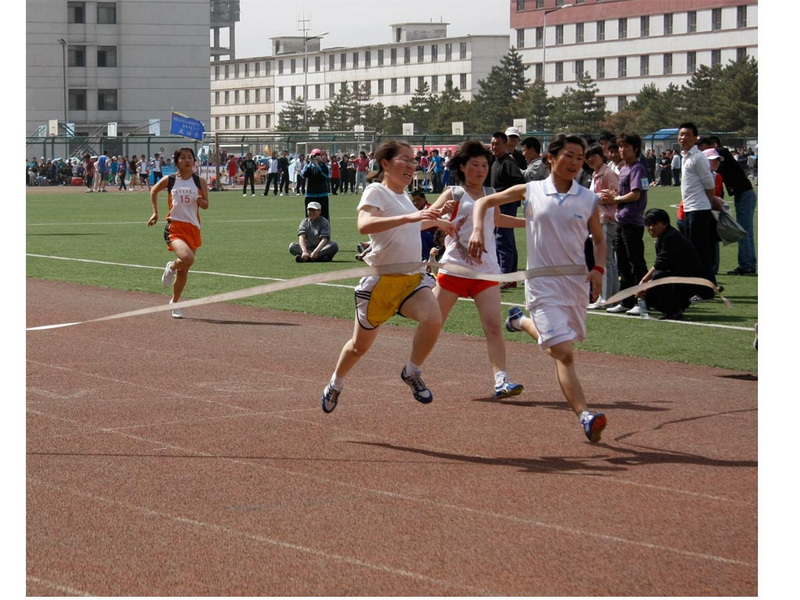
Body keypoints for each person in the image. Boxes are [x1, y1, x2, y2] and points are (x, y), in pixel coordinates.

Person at [468, 133, 608, 443]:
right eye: (568, 155)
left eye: (579, 158)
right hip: (542, 284)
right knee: (564, 352)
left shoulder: (588, 198)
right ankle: (585, 415)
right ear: (550, 158)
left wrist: (598, 270)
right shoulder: (532, 191)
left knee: (563, 343)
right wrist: (478, 228)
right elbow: (486, 202)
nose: (574, 162)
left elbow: (599, 239)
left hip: (574, 284)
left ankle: (519, 321)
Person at [320, 140, 457, 414]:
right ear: (385, 163)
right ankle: (336, 383)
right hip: (381, 282)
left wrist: (436, 220)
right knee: (359, 348)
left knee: (433, 319)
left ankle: (412, 371)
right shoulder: (376, 191)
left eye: (413, 160)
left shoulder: (404, 196)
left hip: (411, 280)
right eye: (404, 159)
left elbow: (411, 224)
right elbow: (364, 225)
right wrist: (411, 218)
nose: (410, 165)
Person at [428, 139, 526, 398]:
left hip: (487, 270)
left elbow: (499, 219)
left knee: (493, 326)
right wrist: (442, 218)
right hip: (455, 268)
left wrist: (530, 222)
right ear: (462, 167)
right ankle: (413, 369)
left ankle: (501, 379)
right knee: (433, 322)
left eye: (484, 165)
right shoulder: (454, 193)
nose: (481, 170)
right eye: (475, 165)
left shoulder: (491, 193)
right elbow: (427, 218)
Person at [147, 147, 209, 319]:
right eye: (183, 158)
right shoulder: (171, 180)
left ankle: (175, 303)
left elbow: (206, 205)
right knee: (187, 258)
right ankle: (171, 266)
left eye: (190, 157)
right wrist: (155, 212)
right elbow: (154, 190)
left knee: (185, 271)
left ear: (194, 161)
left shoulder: (199, 181)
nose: (187, 160)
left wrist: (200, 200)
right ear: (177, 162)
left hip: (193, 228)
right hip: (174, 227)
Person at [600, 132, 649, 315]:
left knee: (636, 262)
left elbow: (636, 194)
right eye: (620, 146)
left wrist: (616, 198)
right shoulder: (625, 168)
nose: (622, 150)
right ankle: (627, 301)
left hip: (632, 222)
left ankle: (642, 300)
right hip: (621, 220)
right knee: (623, 264)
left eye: (626, 146)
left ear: (635, 149)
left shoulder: (637, 168)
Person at [676, 122, 724, 300]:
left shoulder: (698, 157)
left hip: (699, 210)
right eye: (681, 134)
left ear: (695, 138)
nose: (683, 137)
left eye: (687, 134)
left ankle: (705, 291)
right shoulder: (685, 156)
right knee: (695, 252)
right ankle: (702, 288)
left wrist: (710, 202)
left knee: (700, 253)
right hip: (690, 209)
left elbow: (709, 183)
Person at [698, 135, 757, 275]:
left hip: (744, 194)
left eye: (703, 149)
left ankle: (747, 265)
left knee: (743, 231)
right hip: (743, 194)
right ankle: (748, 263)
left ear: (713, 145)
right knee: (745, 230)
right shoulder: (720, 156)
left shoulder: (721, 152)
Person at [637, 208, 704, 320]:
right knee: (653, 281)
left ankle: (673, 309)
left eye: (654, 224)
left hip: (690, 282)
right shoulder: (665, 236)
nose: (651, 228)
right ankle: (675, 308)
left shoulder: (670, 237)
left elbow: (660, 263)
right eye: (648, 225)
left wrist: (644, 282)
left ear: (664, 223)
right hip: (683, 279)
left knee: (656, 278)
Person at [584, 144, 619, 309]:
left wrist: (595, 197)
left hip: (606, 219)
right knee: (606, 259)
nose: (591, 159)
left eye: (594, 155)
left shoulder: (608, 173)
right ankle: (609, 296)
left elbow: (614, 195)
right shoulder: (596, 173)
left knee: (604, 259)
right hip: (598, 219)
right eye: (588, 156)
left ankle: (605, 297)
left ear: (602, 156)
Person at [489, 130, 526, 289]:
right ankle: (509, 276)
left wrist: (505, 196)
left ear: (505, 145)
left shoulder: (508, 162)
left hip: (505, 205)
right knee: (505, 239)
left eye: (497, 144)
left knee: (503, 239)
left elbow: (519, 181)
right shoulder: (496, 161)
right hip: (498, 204)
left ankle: (504, 276)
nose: (494, 147)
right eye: (492, 143)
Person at [301, 148, 331, 220]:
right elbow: (304, 175)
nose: (316, 157)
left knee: (324, 217)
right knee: (310, 217)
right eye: (315, 156)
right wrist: (310, 163)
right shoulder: (308, 166)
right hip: (310, 195)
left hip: (322, 194)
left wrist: (317, 166)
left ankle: (325, 231)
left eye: (318, 155)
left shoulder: (324, 166)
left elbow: (325, 176)